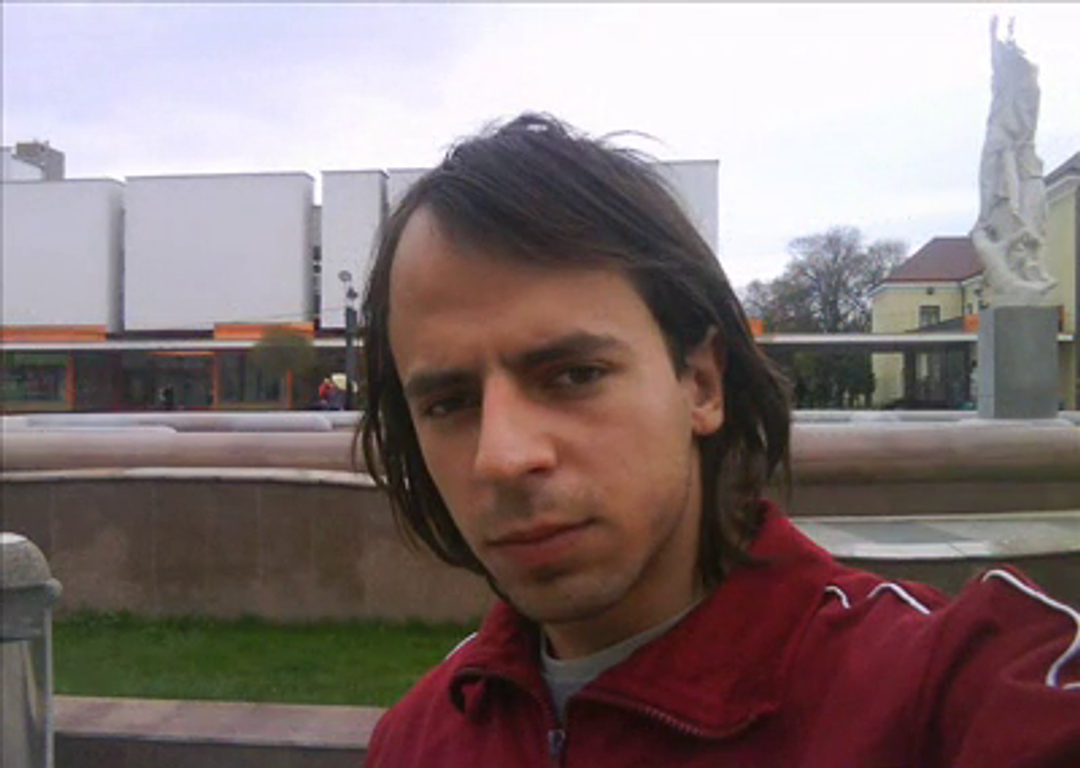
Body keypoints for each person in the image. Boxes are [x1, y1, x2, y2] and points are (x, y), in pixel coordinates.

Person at [359, 114, 1079, 766]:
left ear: (701, 383)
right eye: (450, 403)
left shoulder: (934, 690)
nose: (503, 458)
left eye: (574, 375)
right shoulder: (418, 741)